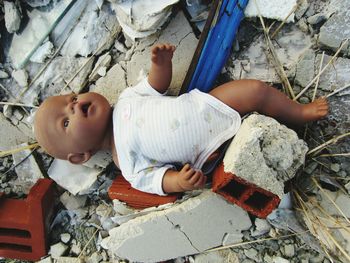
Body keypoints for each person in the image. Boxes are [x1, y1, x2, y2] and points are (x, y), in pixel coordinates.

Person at [34, 43, 328, 195]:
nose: (74, 107)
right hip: (206, 154)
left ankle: (297, 112)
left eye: (72, 99)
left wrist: (161, 64)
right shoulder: (126, 164)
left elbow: (156, 85)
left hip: (206, 105)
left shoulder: (127, 99)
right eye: (66, 122)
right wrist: (179, 182)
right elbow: (157, 180)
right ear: (81, 156)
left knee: (254, 90)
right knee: (235, 165)